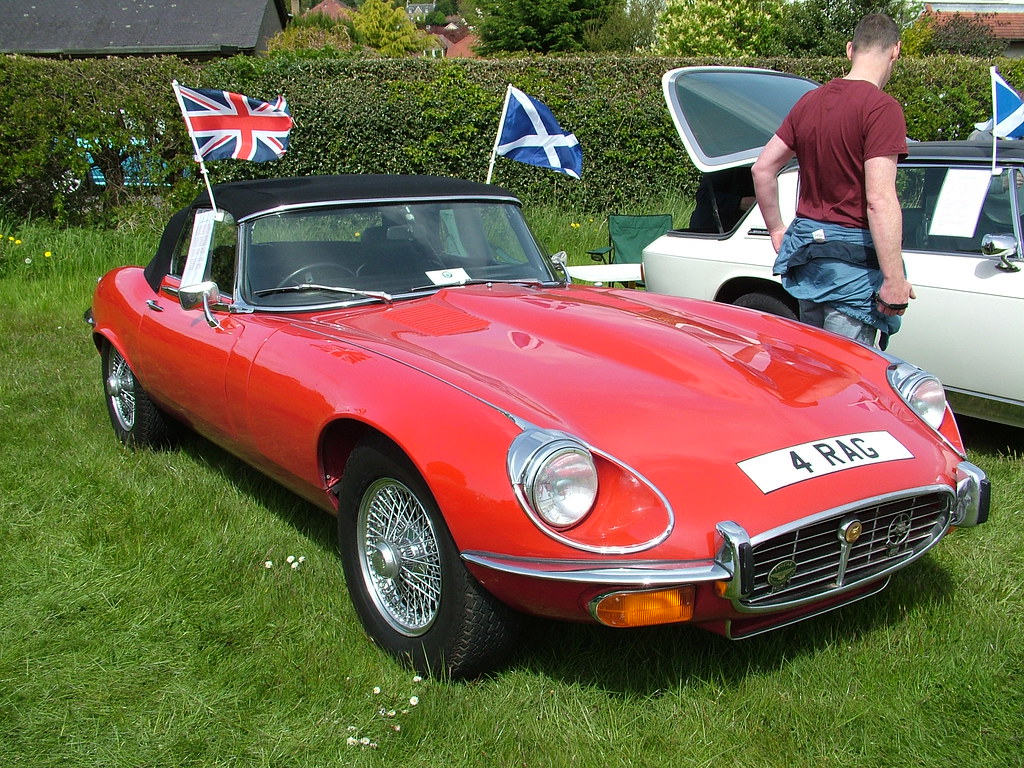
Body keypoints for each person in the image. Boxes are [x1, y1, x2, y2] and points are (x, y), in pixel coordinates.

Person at [752, 13, 914, 348]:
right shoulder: (881, 109)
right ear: (895, 51)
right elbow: (879, 200)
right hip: (851, 273)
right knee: (846, 379)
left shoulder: (810, 102)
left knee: (814, 368)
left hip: (809, 263)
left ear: (850, 49)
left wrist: (777, 229)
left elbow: (762, 168)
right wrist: (894, 278)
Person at [688, 167, 756, 234]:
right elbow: (703, 196)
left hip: (744, 229)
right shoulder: (727, 162)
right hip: (710, 230)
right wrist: (738, 202)